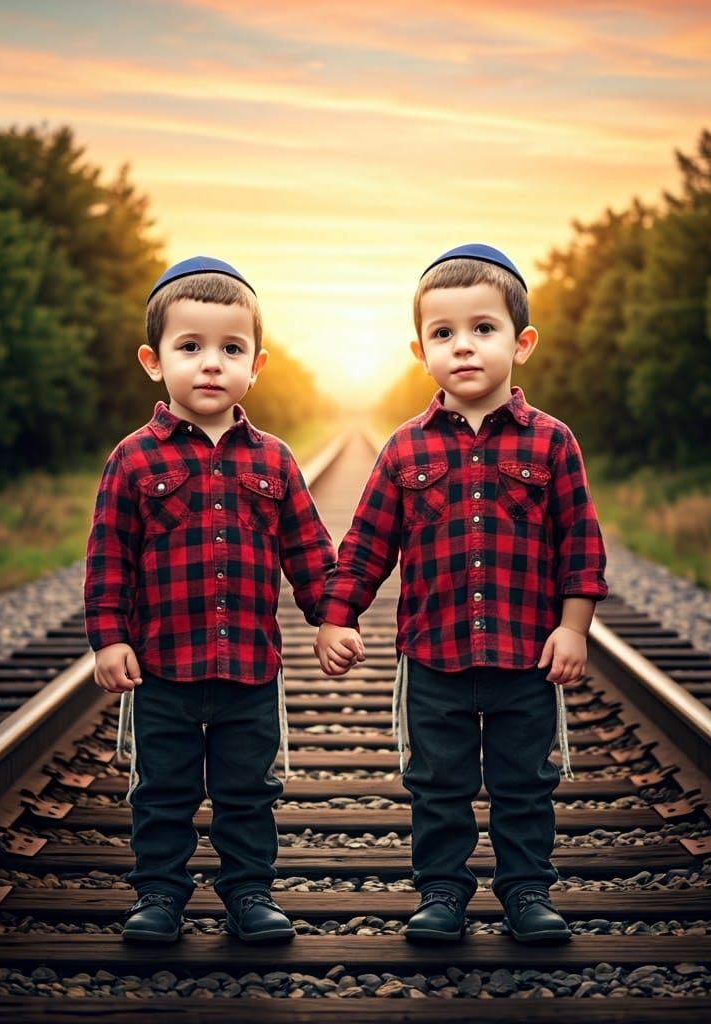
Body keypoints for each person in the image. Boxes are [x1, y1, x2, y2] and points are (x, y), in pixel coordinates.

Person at [314, 243, 608, 943]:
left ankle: (526, 892)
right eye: (443, 334)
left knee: (523, 784)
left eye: (483, 329)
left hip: (524, 658)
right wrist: (336, 616)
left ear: (522, 342)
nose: (464, 348)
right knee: (437, 787)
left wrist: (573, 629)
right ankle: (442, 893)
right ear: (421, 350)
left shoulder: (552, 444)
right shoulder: (405, 448)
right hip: (435, 659)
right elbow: (365, 546)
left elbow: (581, 546)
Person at [85, 256, 336, 944]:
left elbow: (308, 551)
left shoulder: (274, 460)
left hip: (250, 671)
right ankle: (160, 896)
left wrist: (332, 616)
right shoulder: (133, 459)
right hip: (163, 669)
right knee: (161, 791)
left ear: (256, 365)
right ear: (153, 360)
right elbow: (108, 557)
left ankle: (249, 894)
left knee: (248, 793)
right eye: (189, 347)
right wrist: (109, 639)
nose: (211, 364)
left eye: (231, 349)